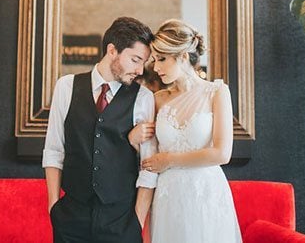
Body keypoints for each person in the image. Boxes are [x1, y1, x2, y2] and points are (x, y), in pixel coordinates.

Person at [43, 16, 158, 243]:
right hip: (71, 218)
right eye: (135, 59)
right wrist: (53, 206)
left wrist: (137, 220)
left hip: (122, 220)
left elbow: (149, 167)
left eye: (142, 62)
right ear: (113, 50)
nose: (139, 70)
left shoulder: (143, 98)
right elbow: (55, 150)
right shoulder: (66, 86)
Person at [128, 19, 242, 243]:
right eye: (154, 60)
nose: (156, 68)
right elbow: (147, 156)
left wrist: (169, 159)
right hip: (168, 197)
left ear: (182, 56)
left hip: (205, 195)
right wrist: (133, 138)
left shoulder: (216, 92)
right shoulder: (157, 99)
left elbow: (222, 153)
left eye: (162, 59)